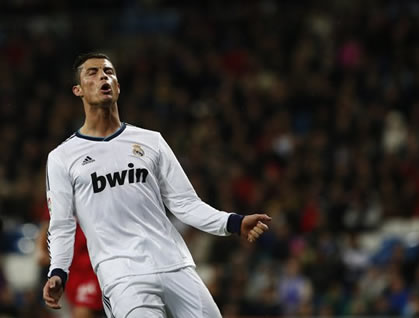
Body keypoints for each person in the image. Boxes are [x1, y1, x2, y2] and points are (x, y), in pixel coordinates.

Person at [42, 52, 271, 318]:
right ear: (78, 90)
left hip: (175, 264)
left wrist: (233, 222)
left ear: (117, 86)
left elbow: (184, 203)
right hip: (123, 275)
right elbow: (62, 224)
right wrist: (58, 271)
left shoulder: (152, 141)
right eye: (92, 73)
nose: (103, 76)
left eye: (109, 72)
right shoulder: (62, 157)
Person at [37, 219, 104, 318]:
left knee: (82, 312)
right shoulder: (58, 204)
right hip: (72, 269)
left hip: (93, 267)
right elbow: (48, 223)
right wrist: (41, 250)